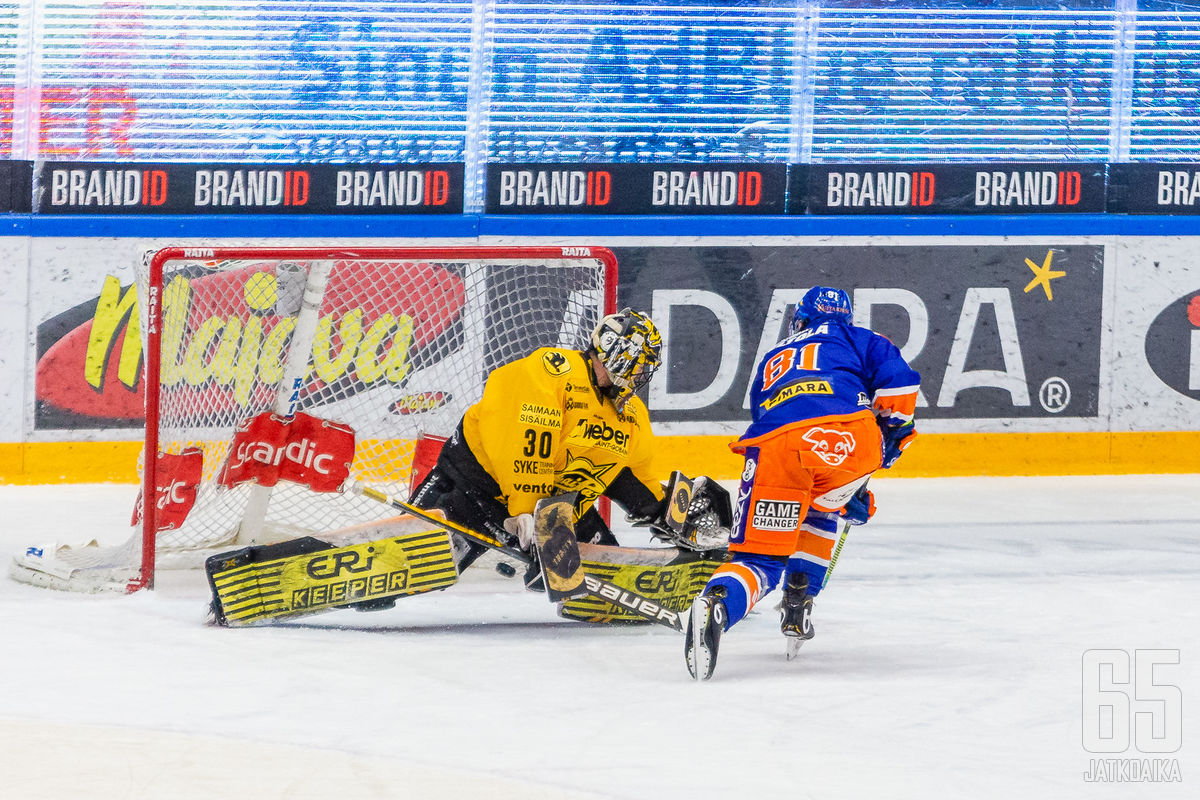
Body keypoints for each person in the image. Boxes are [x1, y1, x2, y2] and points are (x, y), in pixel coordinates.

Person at [684, 287, 920, 680]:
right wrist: (884, 450)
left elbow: (765, 411)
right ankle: (800, 596)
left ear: (801, 318)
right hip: (848, 440)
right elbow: (900, 391)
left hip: (775, 445)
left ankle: (717, 605)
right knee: (825, 505)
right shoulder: (861, 338)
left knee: (758, 559)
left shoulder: (773, 357)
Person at [411, 308, 724, 589]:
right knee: (413, 567)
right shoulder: (553, 372)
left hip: (555, 514)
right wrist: (527, 509)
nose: (642, 376)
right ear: (618, 355)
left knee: (615, 577)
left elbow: (632, 477)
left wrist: (669, 510)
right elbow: (524, 441)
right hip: (478, 491)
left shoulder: (630, 415)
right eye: (640, 366)